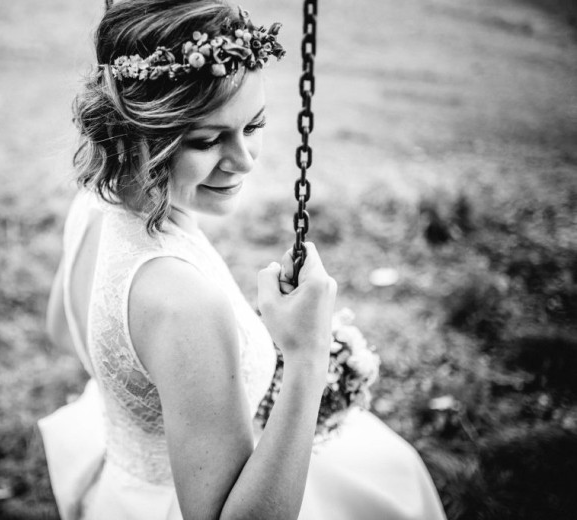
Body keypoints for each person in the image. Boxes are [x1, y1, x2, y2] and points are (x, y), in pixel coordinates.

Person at [39, 1, 447, 519]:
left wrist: (172, 378)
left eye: (252, 127)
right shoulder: (183, 303)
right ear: (131, 132)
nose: (244, 160)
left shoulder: (96, 205)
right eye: (208, 140)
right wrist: (306, 357)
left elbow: (64, 331)